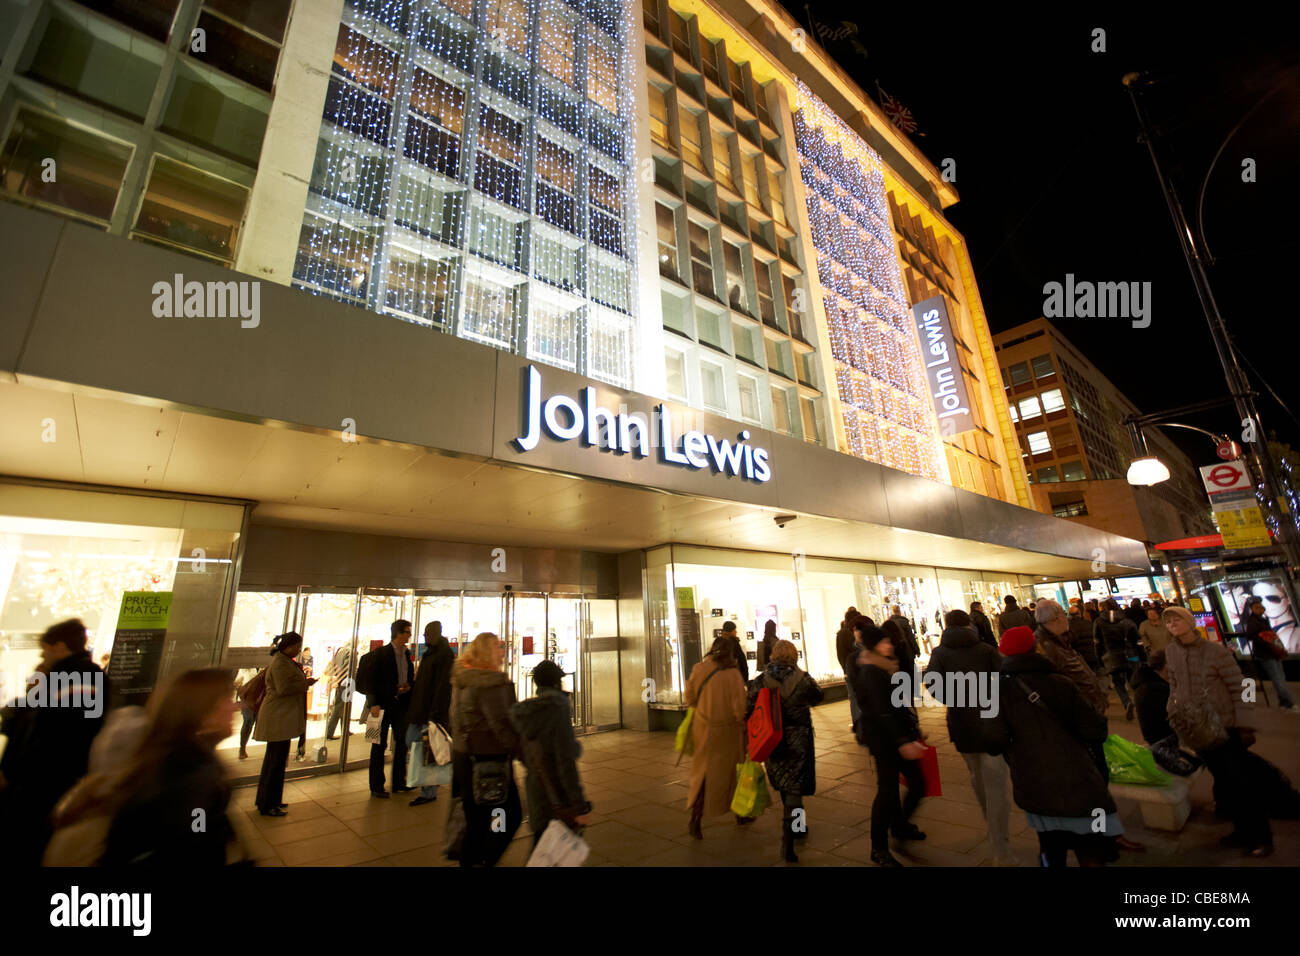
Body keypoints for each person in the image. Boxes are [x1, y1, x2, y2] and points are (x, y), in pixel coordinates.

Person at [54, 669, 244, 866]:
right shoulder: (192, 777)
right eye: (226, 699)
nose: (235, 706)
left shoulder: (161, 756)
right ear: (203, 711)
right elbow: (195, 841)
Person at [992, 625, 1122, 866]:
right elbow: (1095, 730)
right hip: (1079, 777)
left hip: (1033, 782)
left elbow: (993, 740)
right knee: (1092, 846)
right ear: (1035, 648)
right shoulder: (1061, 682)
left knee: (1050, 847)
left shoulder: (998, 691)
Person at [1162, 605, 1271, 856]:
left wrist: (1245, 724)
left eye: (1177, 619)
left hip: (1226, 727)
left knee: (1242, 783)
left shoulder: (1215, 652)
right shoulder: (1171, 652)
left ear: (1191, 622)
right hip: (1198, 729)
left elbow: (1242, 686)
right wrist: (1173, 711)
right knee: (1224, 782)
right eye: (1168, 621)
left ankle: (1260, 837)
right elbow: (1175, 686)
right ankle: (1241, 831)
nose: (1172, 624)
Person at [0, 618, 107, 865]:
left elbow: (49, 731)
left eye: (46, 647)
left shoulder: (74, 678)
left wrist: (14, 769)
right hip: (52, 776)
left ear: (59, 646)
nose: (43, 653)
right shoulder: (83, 676)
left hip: (42, 779)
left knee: (25, 840)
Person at [924, 609, 1015, 865]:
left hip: (961, 724)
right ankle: (1000, 845)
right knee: (996, 782)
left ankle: (991, 824)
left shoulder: (939, 653)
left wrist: (955, 700)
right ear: (968, 625)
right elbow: (1003, 680)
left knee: (977, 776)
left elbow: (932, 683)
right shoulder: (985, 650)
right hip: (991, 722)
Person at [850, 619, 926, 867]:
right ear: (873, 646)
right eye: (883, 642)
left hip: (896, 736)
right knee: (887, 792)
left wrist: (912, 730)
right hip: (884, 740)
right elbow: (883, 710)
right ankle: (878, 847)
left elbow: (898, 705)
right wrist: (903, 741)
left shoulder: (885, 667)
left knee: (916, 784)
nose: (889, 645)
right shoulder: (872, 671)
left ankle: (900, 825)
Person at [745, 639, 823, 863]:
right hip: (799, 741)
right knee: (795, 790)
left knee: (784, 783)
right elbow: (818, 696)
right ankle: (791, 837)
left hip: (772, 740)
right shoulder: (803, 679)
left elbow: (748, 708)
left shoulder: (760, 681)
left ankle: (796, 827)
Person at [451, 632, 521, 867]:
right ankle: (486, 860)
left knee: (477, 818)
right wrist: (525, 753)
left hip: (465, 758)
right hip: (490, 763)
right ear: (486, 652)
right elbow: (502, 726)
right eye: (498, 647)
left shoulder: (463, 679)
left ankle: (472, 859)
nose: (502, 651)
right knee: (503, 816)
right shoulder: (491, 683)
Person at [509, 660, 591, 848]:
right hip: (557, 792)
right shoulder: (558, 709)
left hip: (535, 788)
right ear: (555, 683)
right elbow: (565, 762)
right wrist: (579, 805)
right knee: (552, 851)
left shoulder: (525, 714)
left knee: (541, 844)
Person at [684, 636, 748, 839]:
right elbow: (740, 708)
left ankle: (696, 820)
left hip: (704, 730)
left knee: (703, 775)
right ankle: (740, 814)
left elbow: (690, 698)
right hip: (728, 732)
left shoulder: (698, 669)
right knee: (733, 774)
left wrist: (703, 709)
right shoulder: (733, 674)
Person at [252, 632, 315, 816]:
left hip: (282, 716)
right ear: (288, 646)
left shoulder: (284, 661)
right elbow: (283, 688)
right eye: (296, 646)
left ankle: (271, 800)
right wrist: (305, 684)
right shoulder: (280, 663)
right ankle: (268, 804)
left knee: (277, 761)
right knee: (274, 762)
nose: (298, 649)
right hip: (277, 717)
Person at [1130, 650, 1202, 776]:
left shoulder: (1148, 683)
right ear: (1165, 666)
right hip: (1163, 744)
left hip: (1161, 740)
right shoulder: (1154, 689)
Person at [406, 620, 455, 805]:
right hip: (420, 711)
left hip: (430, 713)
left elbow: (442, 687)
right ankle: (420, 781)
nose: (425, 637)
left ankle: (428, 791)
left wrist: (435, 714)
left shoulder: (443, 655)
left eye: (427, 633)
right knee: (414, 744)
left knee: (428, 751)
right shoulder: (431, 654)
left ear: (435, 633)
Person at [1034, 599, 1107, 715]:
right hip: (1080, 712)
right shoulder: (1046, 646)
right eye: (1065, 614)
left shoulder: (1057, 639)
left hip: (1085, 708)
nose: (1067, 618)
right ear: (1056, 618)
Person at [369, 619, 415, 798]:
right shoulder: (381, 653)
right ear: (398, 633)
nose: (409, 635)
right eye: (407, 632)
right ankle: (376, 786)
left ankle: (399, 781)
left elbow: (408, 676)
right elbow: (372, 680)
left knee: (402, 743)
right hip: (381, 705)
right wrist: (373, 703)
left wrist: (408, 686)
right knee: (378, 745)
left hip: (400, 704)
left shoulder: (406, 653)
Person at [1244, 598, 1296, 710]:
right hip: (1266, 654)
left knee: (1280, 677)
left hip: (1273, 652)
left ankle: (1284, 702)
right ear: (1252, 609)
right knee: (1278, 678)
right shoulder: (1253, 622)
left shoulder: (1262, 620)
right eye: (1257, 607)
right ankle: (1288, 703)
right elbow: (1252, 636)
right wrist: (1266, 641)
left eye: (1260, 607)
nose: (1260, 609)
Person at [1095, 599, 1141, 721]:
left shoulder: (1099, 622)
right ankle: (1141, 704)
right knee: (1135, 681)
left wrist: (1099, 659)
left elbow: (1097, 642)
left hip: (1112, 656)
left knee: (1118, 682)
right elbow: (1137, 639)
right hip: (1131, 654)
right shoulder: (1127, 621)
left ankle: (1127, 702)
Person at [882, 615, 919, 704]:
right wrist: (916, 650)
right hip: (906, 677)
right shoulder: (901, 644)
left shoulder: (887, 649)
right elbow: (911, 637)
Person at [322, 641, 354, 741]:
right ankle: (329, 732)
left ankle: (344, 729)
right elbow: (347, 668)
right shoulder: (350, 652)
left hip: (341, 681)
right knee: (340, 707)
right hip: (347, 682)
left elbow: (336, 666)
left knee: (342, 706)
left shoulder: (340, 651)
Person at [1068, 603, 1102, 672]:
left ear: (1070, 615)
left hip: (1080, 659)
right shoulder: (1088, 623)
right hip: (1093, 655)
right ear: (1079, 613)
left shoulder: (1068, 627)